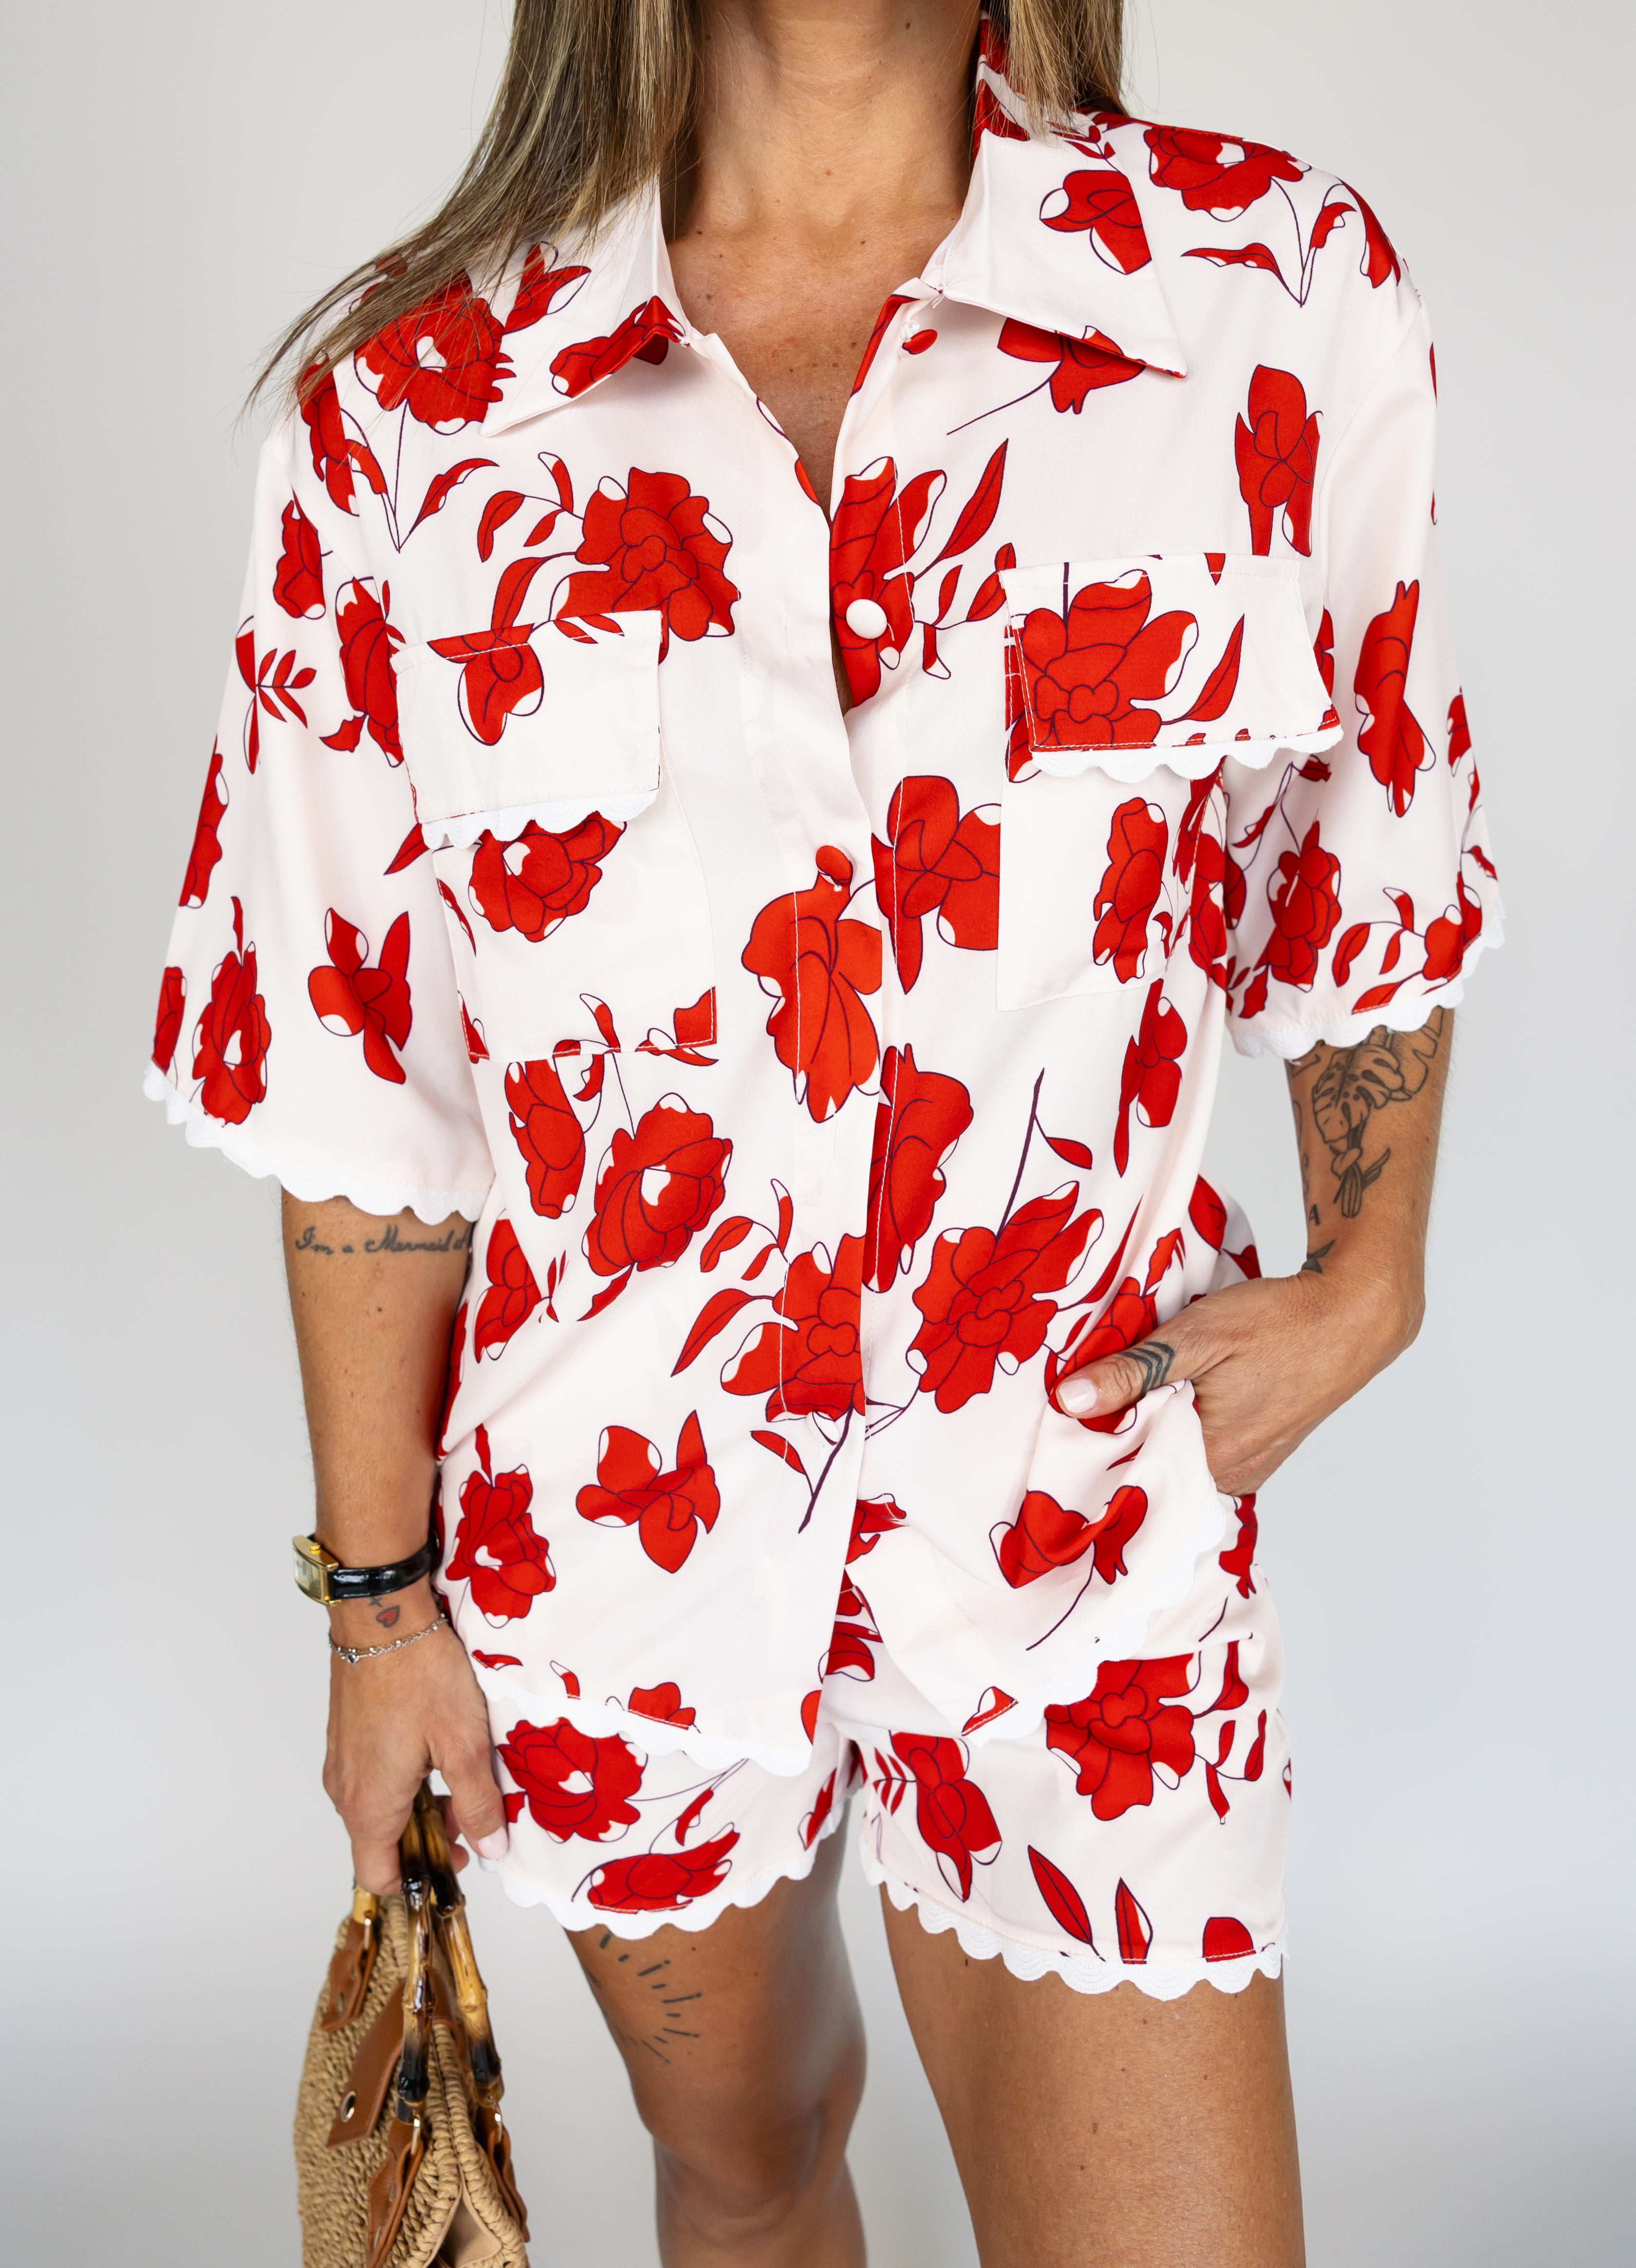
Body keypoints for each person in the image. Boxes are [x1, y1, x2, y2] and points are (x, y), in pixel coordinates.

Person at [146, 3, 1499, 2260]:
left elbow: (1380, 810)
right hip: (626, 1542)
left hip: (1080, 1522)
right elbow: (360, 1068)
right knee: (747, 2158)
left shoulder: (1259, 294)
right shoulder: (411, 410)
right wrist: (377, 1616)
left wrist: (1374, 1274)